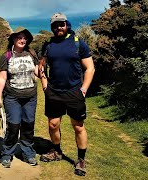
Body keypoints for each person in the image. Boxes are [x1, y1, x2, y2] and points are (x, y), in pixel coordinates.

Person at [38, 13, 95, 176]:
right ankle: (56, 152)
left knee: (78, 126)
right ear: (52, 27)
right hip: (54, 92)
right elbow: (41, 66)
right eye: (55, 25)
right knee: (53, 125)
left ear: (67, 24)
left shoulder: (78, 43)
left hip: (74, 92)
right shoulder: (48, 45)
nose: (58, 28)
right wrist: (44, 86)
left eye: (61, 24)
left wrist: (84, 89)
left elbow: (90, 68)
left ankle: (81, 160)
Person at [0, 27, 39, 168]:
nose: (22, 40)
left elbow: (38, 72)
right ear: (13, 39)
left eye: (24, 38)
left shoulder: (31, 54)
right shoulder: (6, 56)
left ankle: (28, 153)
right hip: (12, 97)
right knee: (13, 125)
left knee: (28, 124)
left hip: (30, 96)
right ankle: (7, 153)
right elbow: (2, 78)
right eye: (19, 37)